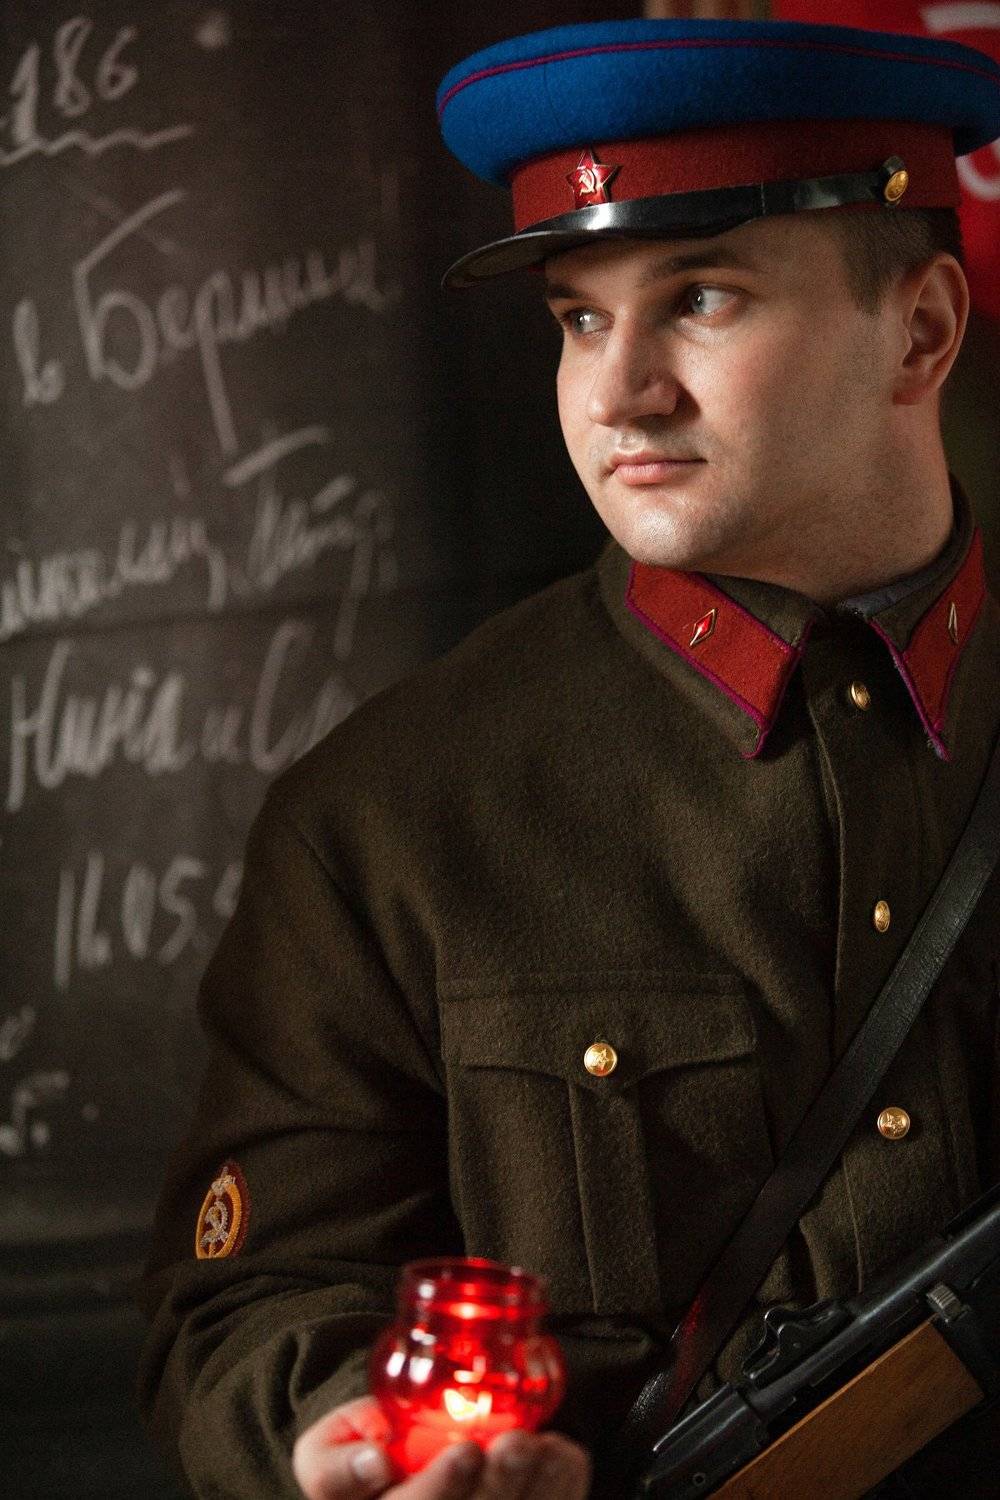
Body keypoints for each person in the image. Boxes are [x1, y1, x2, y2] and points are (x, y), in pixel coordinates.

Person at [138, 17, 1000, 1500]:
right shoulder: (389, 817)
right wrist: (355, 1434)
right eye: (580, 320)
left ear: (920, 331)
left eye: (702, 299)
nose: (617, 393)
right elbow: (249, 1300)